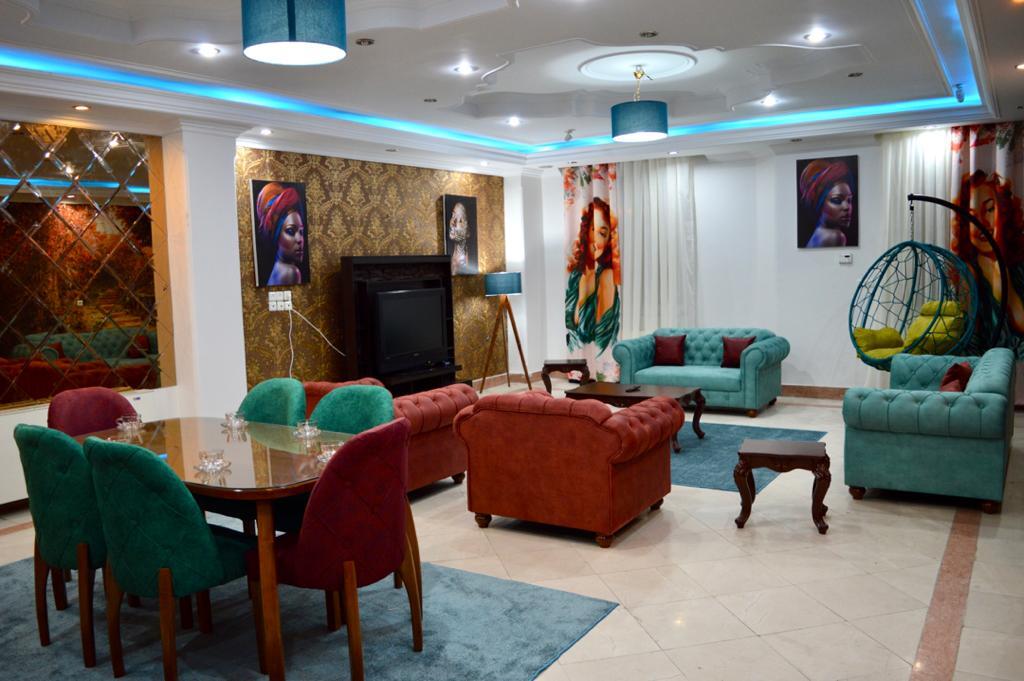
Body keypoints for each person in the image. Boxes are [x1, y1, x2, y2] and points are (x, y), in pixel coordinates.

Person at [565, 196, 620, 352]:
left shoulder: (606, 276)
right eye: (594, 230)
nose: (596, 240)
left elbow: (602, 343)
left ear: (608, 241)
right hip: (575, 357)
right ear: (586, 231)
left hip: (596, 358)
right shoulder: (575, 276)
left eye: (603, 234)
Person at [254, 182, 307, 286]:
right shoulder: (291, 272)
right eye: (291, 231)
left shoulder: (278, 268)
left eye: (301, 232)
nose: (300, 239)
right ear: (276, 237)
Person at [799, 159, 855, 248]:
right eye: (837, 200)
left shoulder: (818, 233)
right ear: (820, 204)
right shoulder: (835, 236)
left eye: (849, 200)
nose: (847, 207)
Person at [448, 201, 470, 274]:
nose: (452, 222)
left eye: (460, 220)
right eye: (453, 215)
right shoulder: (449, 252)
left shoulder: (469, 259)